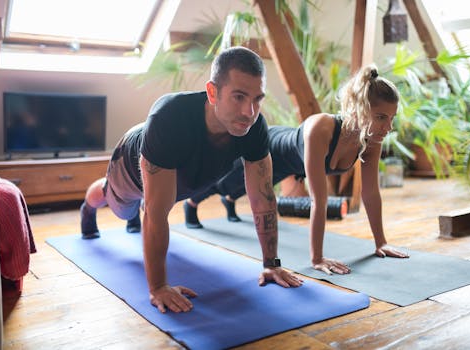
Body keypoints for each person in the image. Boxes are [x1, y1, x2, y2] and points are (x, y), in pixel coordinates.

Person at [80, 46, 303, 314]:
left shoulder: (254, 127)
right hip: (130, 165)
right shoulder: (170, 117)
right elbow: (155, 213)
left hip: (180, 176)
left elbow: (263, 200)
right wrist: (158, 286)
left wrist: (272, 263)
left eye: (257, 99)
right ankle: (87, 209)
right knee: (118, 204)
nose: (249, 111)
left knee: (156, 201)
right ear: (212, 92)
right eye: (239, 97)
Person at [184, 64, 410, 275]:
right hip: (272, 146)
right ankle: (191, 203)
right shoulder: (321, 129)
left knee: (242, 187)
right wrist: (318, 258)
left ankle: (230, 200)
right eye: (381, 117)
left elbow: (370, 193)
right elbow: (318, 201)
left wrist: (381, 243)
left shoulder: (371, 139)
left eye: (391, 118)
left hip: (291, 166)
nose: (388, 127)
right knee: (225, 180)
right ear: (360, 110)